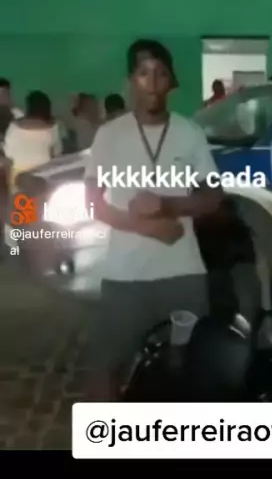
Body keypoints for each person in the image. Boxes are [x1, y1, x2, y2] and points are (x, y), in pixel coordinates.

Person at [85, 38, 223, 401]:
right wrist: (146, 226)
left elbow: (212, 197)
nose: (152, 82)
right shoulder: (109, 135)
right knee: (105, 367)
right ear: (131, 80)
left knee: (192, 369)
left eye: (161, 74)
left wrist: (167, 205)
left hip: (184, 273)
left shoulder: (189, 132)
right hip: (124, 277)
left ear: (171, 82)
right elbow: (93, 204)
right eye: (144, 73)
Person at [2, 90, 62, 189]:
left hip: (18, 176)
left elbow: (8, 154)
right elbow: (56, 154)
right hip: (43, 175)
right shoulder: (53, 127)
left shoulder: (14, 127)